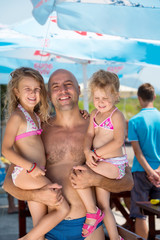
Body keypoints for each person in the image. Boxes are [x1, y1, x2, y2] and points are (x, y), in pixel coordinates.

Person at [3, 69, 134, 240]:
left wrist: (96, 180)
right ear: (48, 95)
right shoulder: (37, 131)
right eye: (56, 86)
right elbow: (8, 183)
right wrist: (35, 195)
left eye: (68, 84)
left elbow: (128, 182)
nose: (63, 90)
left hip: (90, 225)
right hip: (48, 226)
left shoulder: (96, 128)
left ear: (79, 90)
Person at [2, 67, 70, 240]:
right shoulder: (18, 117)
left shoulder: (36, 116)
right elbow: (5, 149)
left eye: (37, 89)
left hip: (34, 173)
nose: (33, 93)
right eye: (27, 89)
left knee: (40, 227)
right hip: (27, 173)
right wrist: (31, 167)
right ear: (16, 92)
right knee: (63, 208)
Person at [74, 70, 128, 239]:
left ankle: (92, 213)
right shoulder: (95, 114)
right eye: (97, 98)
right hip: (100, 162)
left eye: (105, 98)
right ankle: (114, 237)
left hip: (113, 164)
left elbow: (118, 141)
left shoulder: (116, 115)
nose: (101, 102)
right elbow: (89, 135)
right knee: (104, 205)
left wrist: (95, 154)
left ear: (115, 96)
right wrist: (86, 151)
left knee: (80, 174)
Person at [128, 83, 160, 239]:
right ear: (154, 97)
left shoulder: (134, 121)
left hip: (141, 172)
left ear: (139, 99)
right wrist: (157, 171)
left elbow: (137, 152)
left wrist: (150, 172)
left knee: (140, 213)